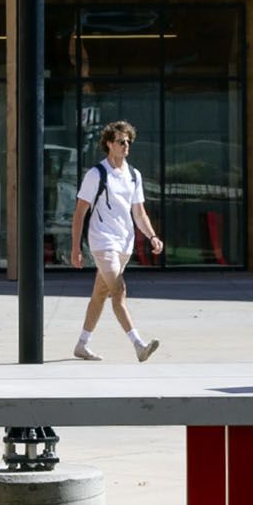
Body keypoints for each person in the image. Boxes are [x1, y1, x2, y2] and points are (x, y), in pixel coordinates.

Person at [68, 120, 164, 362]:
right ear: (109, 144)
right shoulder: (96, 174)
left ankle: (81, 344)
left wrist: (152, 235)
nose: (126, 145)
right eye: (121, 141)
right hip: (102, 242)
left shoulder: (134, 175)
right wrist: (75, 248)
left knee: (100, 295)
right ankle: (139, 345)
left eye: (129, 141)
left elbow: (139, 212)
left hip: (125, 243)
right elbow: (80, 212)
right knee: (119, 290)